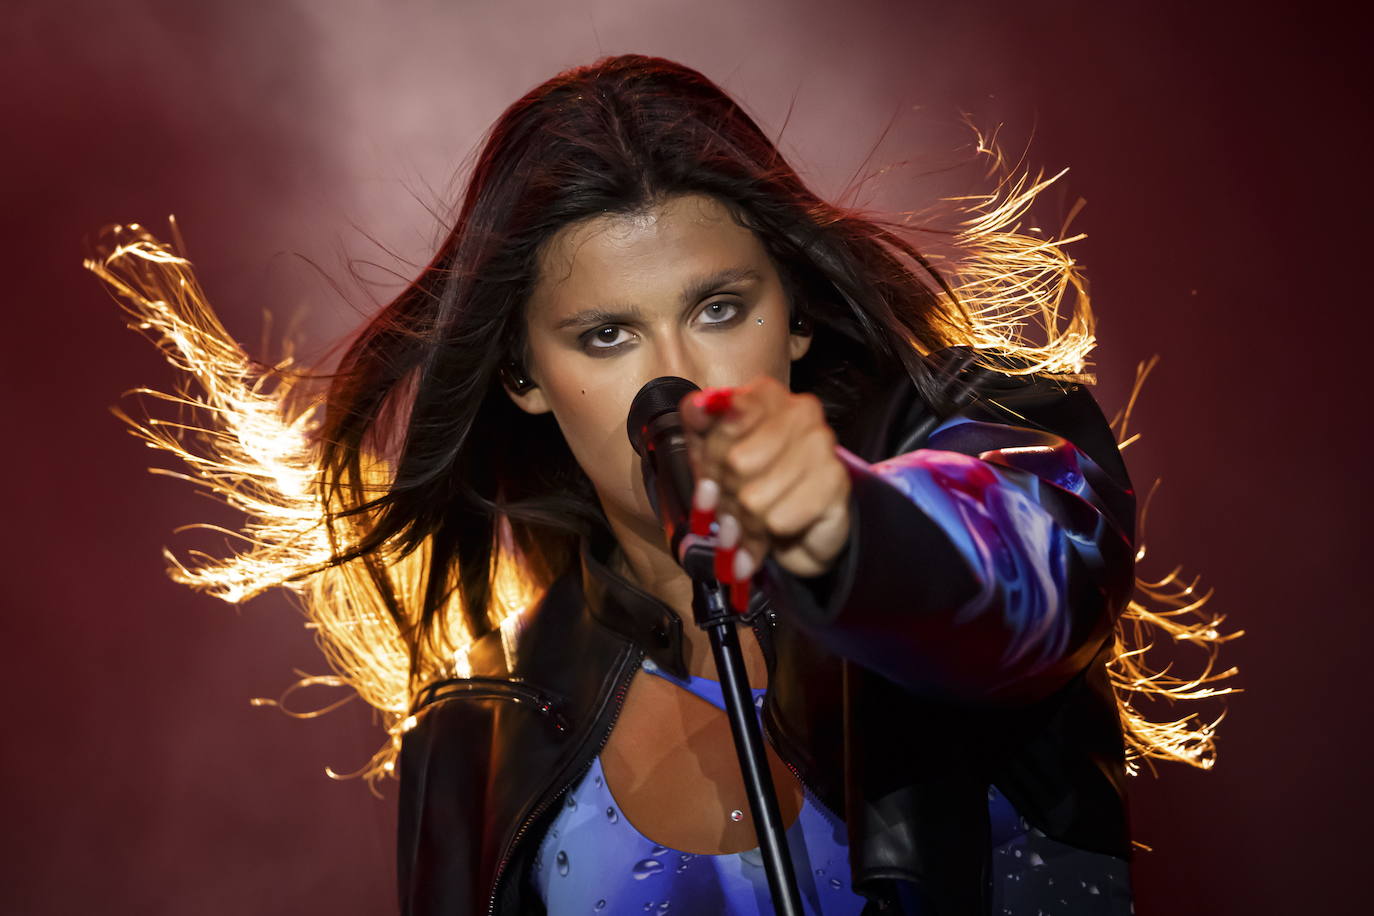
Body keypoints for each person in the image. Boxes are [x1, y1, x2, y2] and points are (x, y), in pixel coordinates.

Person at [88, 53, 1236, 916]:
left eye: (719, 308)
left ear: (792, 313)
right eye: (605, 337)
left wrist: (845, 523)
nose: (675, 380)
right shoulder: (481, 738)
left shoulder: (1001, 444)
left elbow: (1020, 579)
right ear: (526, 378)